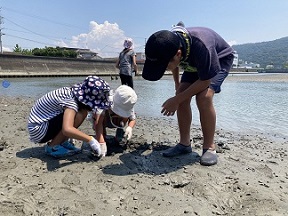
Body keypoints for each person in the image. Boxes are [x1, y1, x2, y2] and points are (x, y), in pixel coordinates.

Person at [142, 22, 234, 166]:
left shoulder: (202, 45)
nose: (165, 69)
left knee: (204, 97)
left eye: (164, 66)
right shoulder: (169, 42)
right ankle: (184, 144)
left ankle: (209, 147)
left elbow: (205, 81)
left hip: (219, 59)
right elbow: (173, 65)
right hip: (192, 62)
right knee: (182, 94)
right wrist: (178, 87)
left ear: (178, 54)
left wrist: (176, 99)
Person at [27, 75, 112, 158]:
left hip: (41, 125)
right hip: (39, 130)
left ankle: (62, 142)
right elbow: (67, 129)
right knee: (79, 114)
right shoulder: (71, 103)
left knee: (82, 113)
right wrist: (90, 140)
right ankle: (53, 147)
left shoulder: (70, 93)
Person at [88, 85, 137, 157]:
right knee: (101, 122)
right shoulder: (104, 102)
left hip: (114, 119)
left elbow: (132, 119)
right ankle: (103, 136)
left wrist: (129, 128)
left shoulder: (127, 104)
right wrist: (101, 142)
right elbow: (98, 123)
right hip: (103, 119)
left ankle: (119, 133)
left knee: (125, 118)